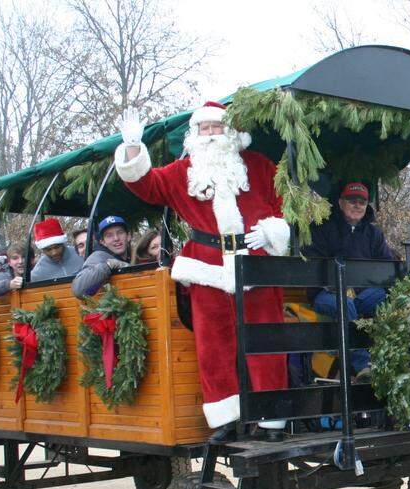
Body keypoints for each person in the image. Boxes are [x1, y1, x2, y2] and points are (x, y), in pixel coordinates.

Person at [114, 102, 290, 442]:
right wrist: (133, 148)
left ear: (232, 132)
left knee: (268, 340)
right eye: (204, 128)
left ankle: (272, 419)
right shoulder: (183, 172)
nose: (210, 134)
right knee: (213, 346)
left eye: (216, 127)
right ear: (195, 134)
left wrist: (272, 232)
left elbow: (286, 208)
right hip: (207, 268)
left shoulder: (260, 166)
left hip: (258, 263)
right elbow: (147, 185)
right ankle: (226, 418)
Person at [302, 182, 395, 380]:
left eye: (362, 202)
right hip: (328, 293)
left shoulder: (374, 234)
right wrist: (335, 287)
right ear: (340, 202)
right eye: (352, 200)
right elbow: (312, 262)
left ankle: (392, 361)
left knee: (387, 298)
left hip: (363, 295)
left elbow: (386, 267)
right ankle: (362, 367)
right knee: (344, 304)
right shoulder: (321, 228)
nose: (357, 205)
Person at [71, 215, 132, 297]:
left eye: (120, 232)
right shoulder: (99, 256)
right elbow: (79, 290)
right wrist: (108, 265)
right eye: (109, 235)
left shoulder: (134, 254)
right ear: (103, 242)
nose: (116, 238)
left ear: (128, 236)